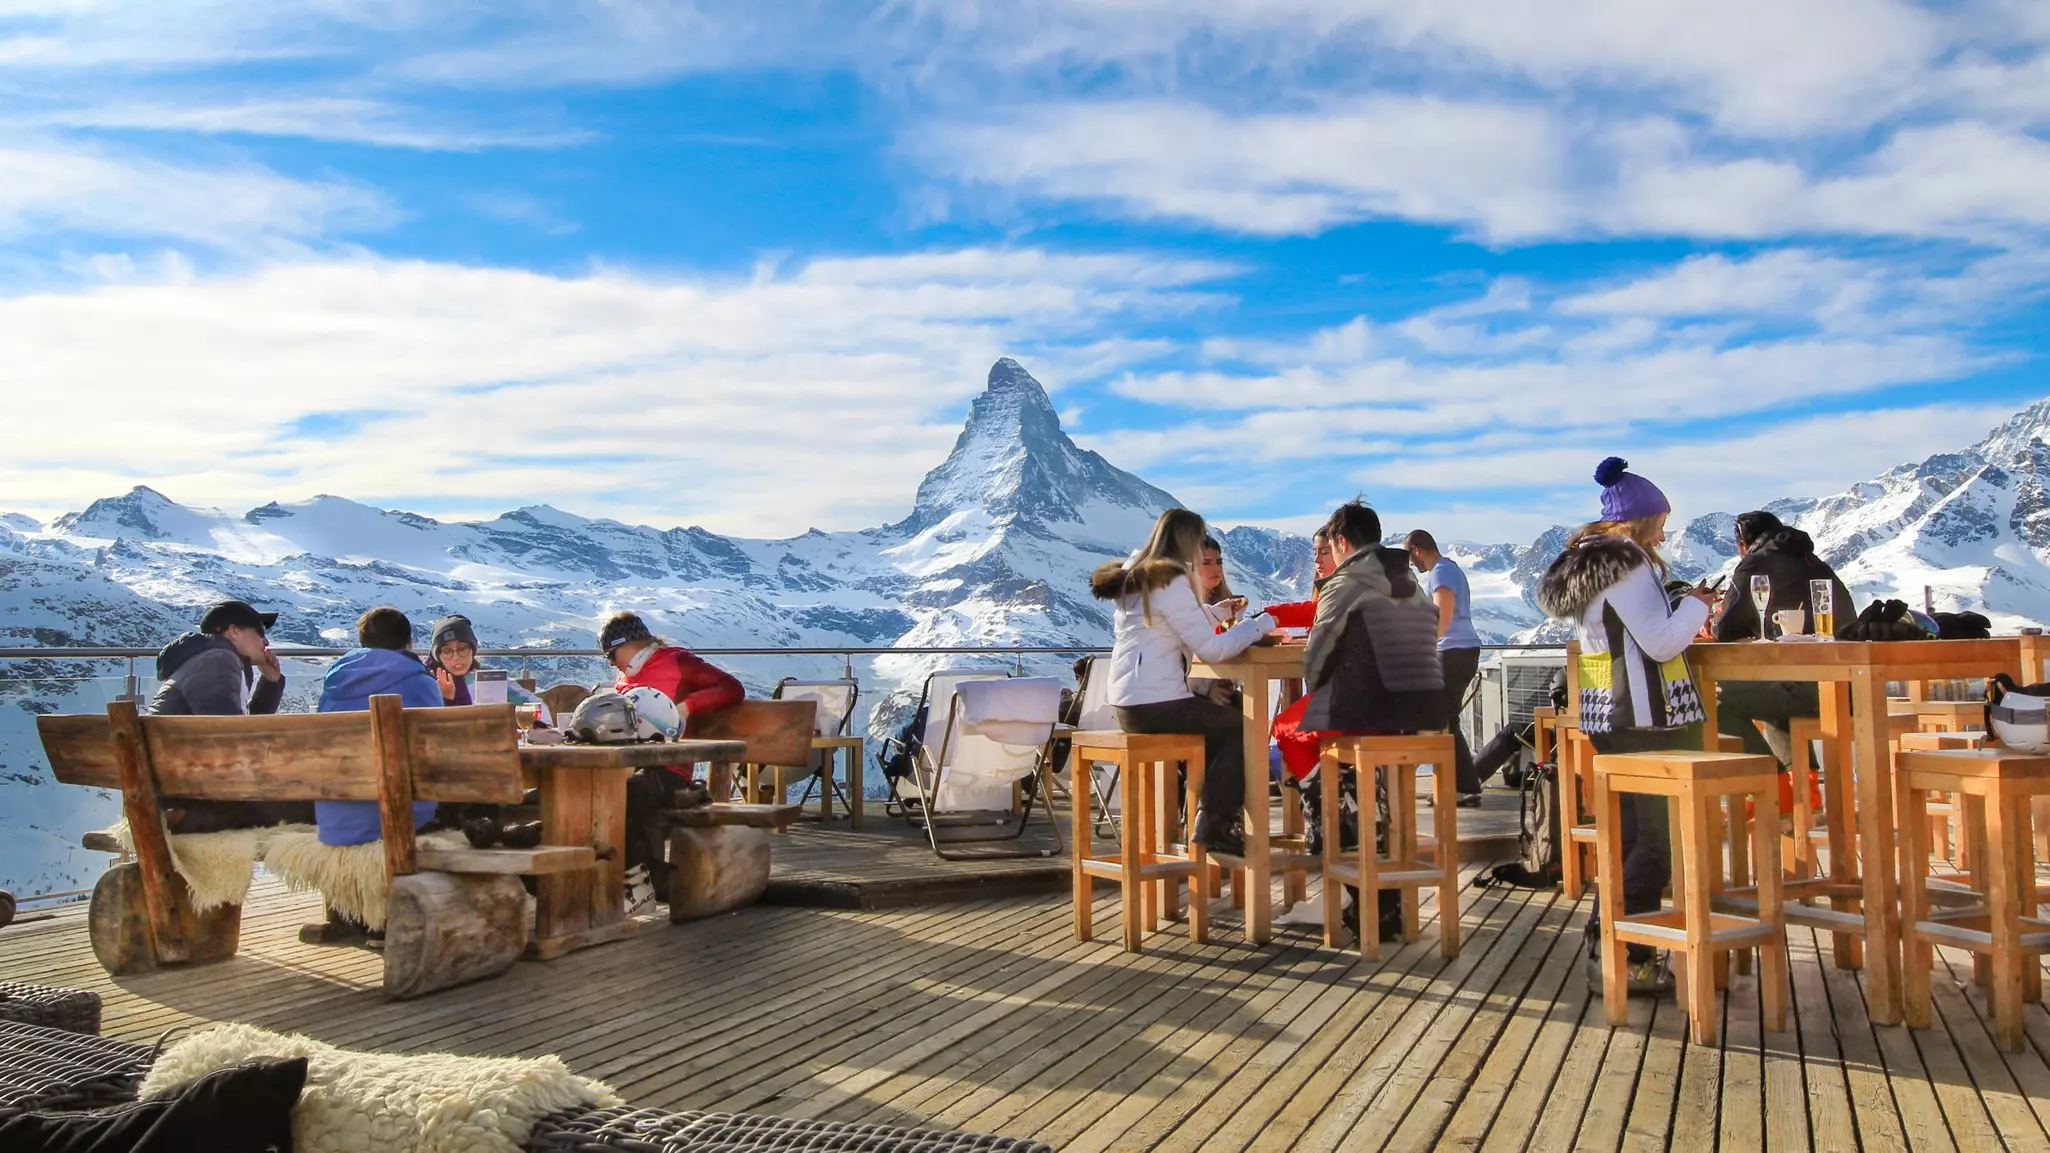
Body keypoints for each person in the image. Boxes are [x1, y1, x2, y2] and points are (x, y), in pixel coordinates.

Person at [1535, 457, 1714, 997]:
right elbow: (1659, 642)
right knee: (1656, 841)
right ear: (1638, 522)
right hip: (1646, 714)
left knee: (1631, 834)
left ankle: (1613, 949)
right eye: (1660, 518)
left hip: (1605, 712)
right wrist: (1698, 607)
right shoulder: (1629, 564)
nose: (1664, 528)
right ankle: (1622, 948)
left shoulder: (1589, 564)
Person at [1295, 501, 1449, 943]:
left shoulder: (1345, 581)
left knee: (1298, 747)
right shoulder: (1411, 579)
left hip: (1368, 713)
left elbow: (1316, 660)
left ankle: (1364, 896)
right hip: (1420, 715)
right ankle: (1385, 892)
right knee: (1357, 772)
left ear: (1342, 543)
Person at [1090, 508, 1276, 857]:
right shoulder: (1171, 582)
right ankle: (1214, 824)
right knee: (1241, 728)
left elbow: (1167, 624)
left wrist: (1217, 612)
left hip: (1128, 702)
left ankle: (1200, 820)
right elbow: (1213, 649)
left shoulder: (1139, 577)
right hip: (1156, 704)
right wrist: (1259, 626)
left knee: (1223, 722)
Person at [599, 611, 745, 909]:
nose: (612, 662)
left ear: (631, 643)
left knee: (628, 795)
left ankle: (646, 880)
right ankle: (644, 879)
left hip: (670, 771)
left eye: (612, 654)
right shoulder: (625, 679)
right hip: (629, 768)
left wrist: (687, 707)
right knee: (602, 794)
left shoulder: (677, 661)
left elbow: (731, 688)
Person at [148, 600, 311, 833]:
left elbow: (235, 728)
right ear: (233, 631)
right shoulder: (218, 660)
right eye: (259, 632)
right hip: (193, 805)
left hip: (181, 793)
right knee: (320, 805)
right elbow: (229, 738)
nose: (265, 641)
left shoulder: (208, 659)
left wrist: (271, 682)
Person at [1712, 512, 1855, 771]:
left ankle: (1773, 785)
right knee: (1772, 695)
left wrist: (1711, 622)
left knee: (1713, 700)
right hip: (1850, 690)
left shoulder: (1754, 565)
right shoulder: (1815, 563)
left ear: (1743, 544)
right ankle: (1802, 783)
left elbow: (1724, 629)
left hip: (1811, 692)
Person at [313, 607, 443, 848]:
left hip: (336, 822)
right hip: (403, 818)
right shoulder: (420, 682)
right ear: (409, 643)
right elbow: (442, 749)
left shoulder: (334, 683)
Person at [1407, 529, 1485, 806]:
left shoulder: (1440, 573)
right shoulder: (1449, 570)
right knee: (1445, 717)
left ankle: (1465, 786)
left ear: (1417, 549)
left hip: (1452, 651)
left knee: (1444, 718)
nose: (1412, 565)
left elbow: (1442, 614)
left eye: (1410, 558)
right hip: (1459, 650)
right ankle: (1461, 785)